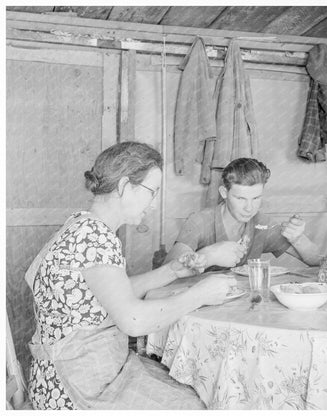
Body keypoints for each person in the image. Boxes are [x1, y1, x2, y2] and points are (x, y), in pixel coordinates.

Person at [26, 141, 235, 410]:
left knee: (190, 389)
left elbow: (112, 293)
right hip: (71, 389)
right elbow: (134, 321)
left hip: (68, 373)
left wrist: (171, 271)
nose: (154, 203)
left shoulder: (83, 226)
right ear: (124, 186)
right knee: (195, 402)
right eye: (152, 192)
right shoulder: (95, 237)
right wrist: (200, 294)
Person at [165, 158, 321, 269]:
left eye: (256, 198)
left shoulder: (262, 224)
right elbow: (170, 267)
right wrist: (209, 255)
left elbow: (316, 261)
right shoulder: (200, 221)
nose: (249, 208)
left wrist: (298, 238)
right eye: (240, 198)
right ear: (224, 193)